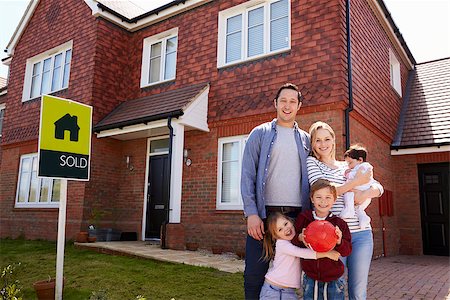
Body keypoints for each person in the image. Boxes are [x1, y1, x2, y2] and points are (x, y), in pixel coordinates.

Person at [241, 83, 311, 299]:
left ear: (299, 105)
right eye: (283, 101)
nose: (287, 106)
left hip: (296, 216)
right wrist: (251, 213)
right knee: (254, 273)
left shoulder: (306, 139)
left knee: (292, 276)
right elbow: (247, 176)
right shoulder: (259, 133)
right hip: (265, 215)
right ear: (275, 104)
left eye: (292, 101)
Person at [306, 121, 383, 300]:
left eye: (327, 139)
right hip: (334, 236)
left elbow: (378, 186)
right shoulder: (312, 163)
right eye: (318, 140)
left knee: (358, 292)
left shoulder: (345, 165)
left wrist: (365, 194)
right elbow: (323, 192)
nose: (323, 144)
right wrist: (356, 183)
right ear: (312, 144)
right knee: (335, 289)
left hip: (361, 234)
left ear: (333, 140)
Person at [260, 212, 340, 300]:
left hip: (289, 291)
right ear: (276, 236)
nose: (286, 229)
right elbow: (302, 253)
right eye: (280, 229)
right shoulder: (281, 244)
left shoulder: (296, 241)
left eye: (286, 224)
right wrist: (327, 254)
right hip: (273, 288)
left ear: (290, 221)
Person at [294, 179, 352, 300]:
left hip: (334, 277)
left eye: (328, 197)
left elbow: (347, 251)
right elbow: (293, 242)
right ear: (312, 199)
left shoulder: (339, 223)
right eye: (318, 197)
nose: (323, 201)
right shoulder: (304, 218)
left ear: (334, 199)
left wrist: (339, 241)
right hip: (310, 276)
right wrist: (300, 238)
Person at [340, 145, 381, 229]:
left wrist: (347, 173)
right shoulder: (365, 167)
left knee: (348, 193)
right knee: (359, 210)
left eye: (350, 163)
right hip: (366, 197)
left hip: (359, 191)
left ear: (360, 160)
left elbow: (355, 176)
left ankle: (349, 210)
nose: (348, 166)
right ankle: (364, 219)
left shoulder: (362, 167)